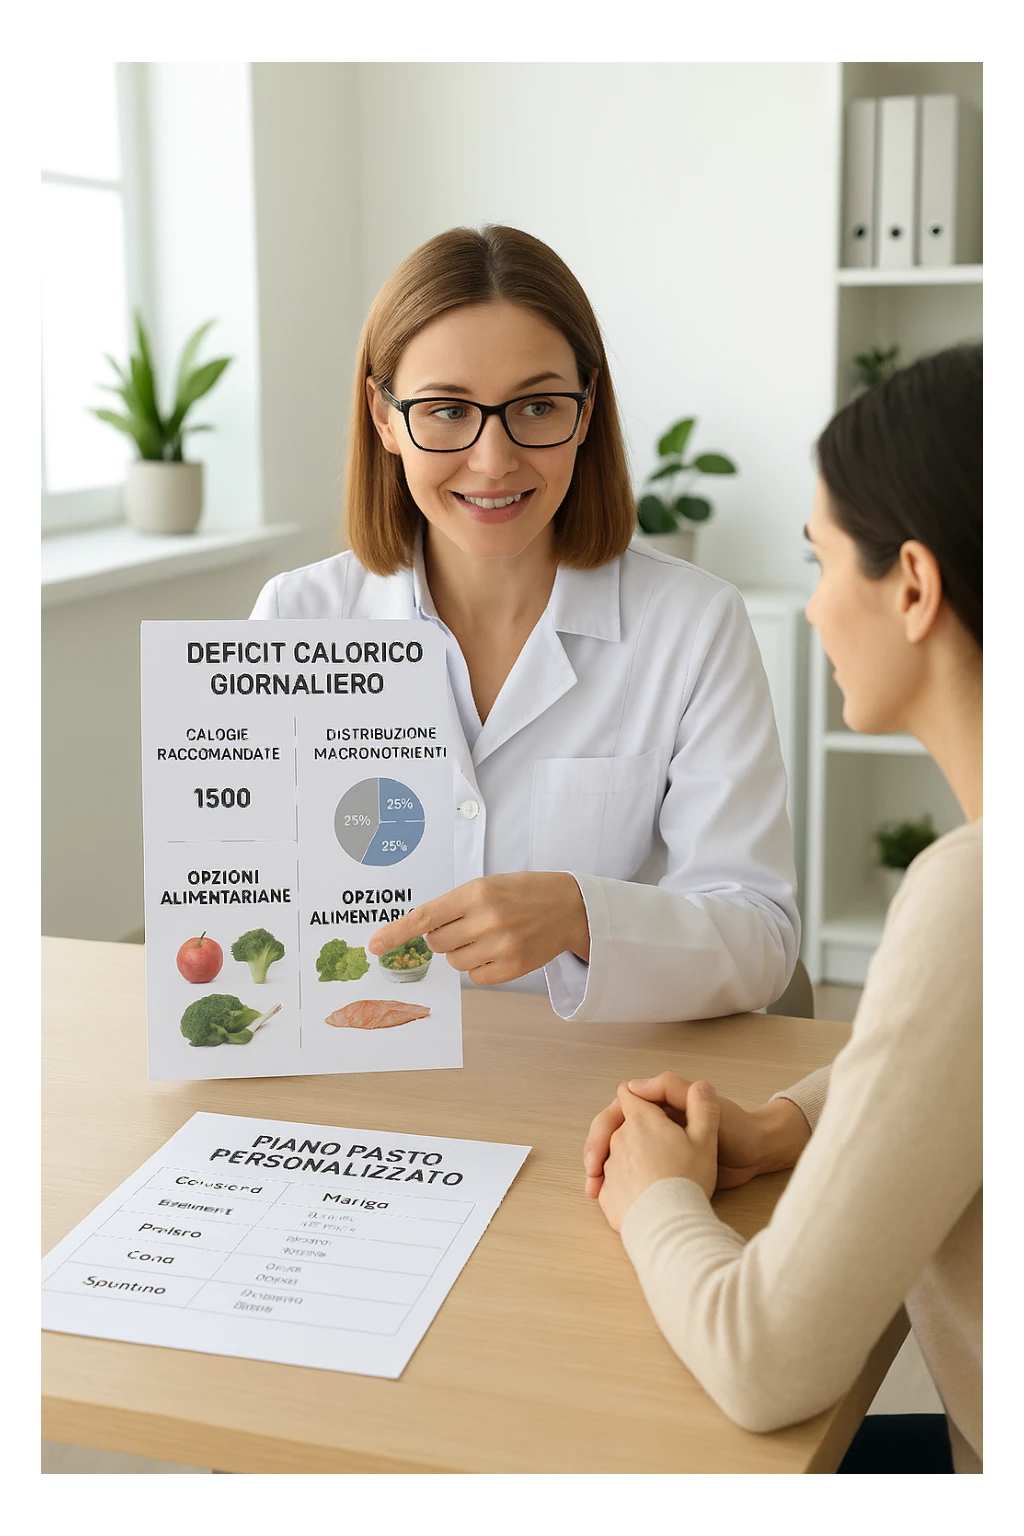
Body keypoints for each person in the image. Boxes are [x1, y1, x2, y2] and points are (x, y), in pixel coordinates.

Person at [583, 343, 982, 1472]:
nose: (809, 612)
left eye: (818, 564)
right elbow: (951, 1054)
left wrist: (656, 1199)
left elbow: (766, 1359)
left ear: (912, 584)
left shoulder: (973, 893)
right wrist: (795, 1123)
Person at [250, 224, 800, 1024]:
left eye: (537, 406)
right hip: (359, 1079)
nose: (494, 458)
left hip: (594, 1101)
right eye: (446, 411)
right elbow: (247, 898)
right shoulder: (295, 621)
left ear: (585, 412)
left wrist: (582, 914)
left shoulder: (693, 625)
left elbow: (760, 937)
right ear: (384, 416)